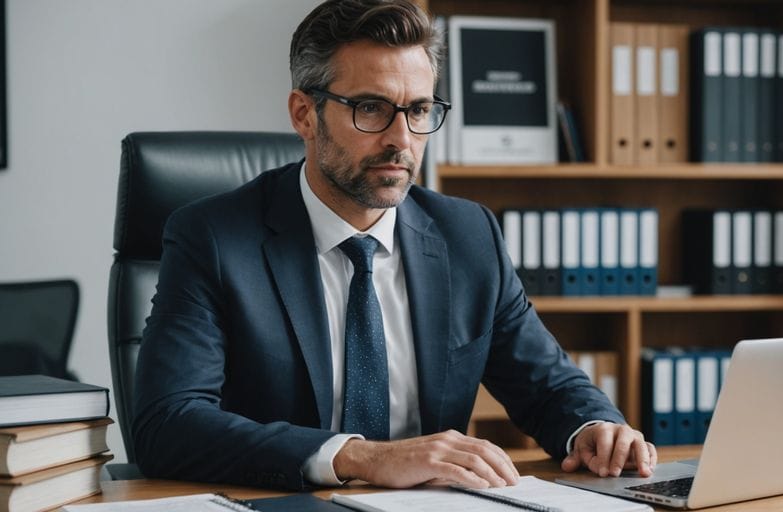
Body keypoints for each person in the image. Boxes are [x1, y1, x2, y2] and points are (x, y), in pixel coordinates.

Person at [132, 0, 655, 491]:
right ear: (304, 115)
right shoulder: (214, 238)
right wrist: (360, 457)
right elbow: (167, 424)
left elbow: (546, 385)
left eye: (419, 110)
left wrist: (595, 427)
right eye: (370, 108)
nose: (401, 139)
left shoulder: (467, 235)